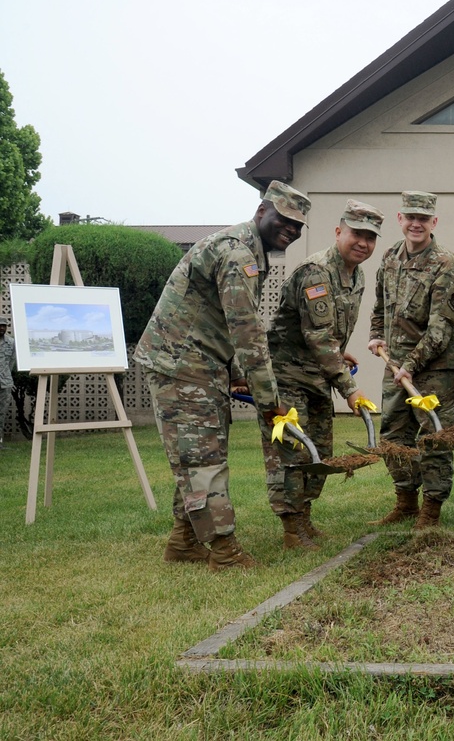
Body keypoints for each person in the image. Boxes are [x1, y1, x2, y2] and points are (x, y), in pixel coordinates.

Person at [135, 180, 307, 570]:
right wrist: (270, 403)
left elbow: (221, 325)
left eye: (298, 226)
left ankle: (183, 542)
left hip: (201, 364)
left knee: (200, 452)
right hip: (182, 365)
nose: (291, 230)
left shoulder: (249, 250)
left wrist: (234, 374)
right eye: (285, 219)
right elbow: (247, 332)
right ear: (262, 211)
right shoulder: (237, 255)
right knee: (202, 459)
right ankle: (225, 552)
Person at [259, 199, 383, 550]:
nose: (363, 243)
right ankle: (291, 530)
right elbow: (317, 335)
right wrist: (349, 388)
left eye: (370, 238)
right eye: (357, 234)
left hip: (317, 374)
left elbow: (322, 331)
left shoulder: (354, 274)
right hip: (288, 378)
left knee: (321, 451)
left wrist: (337, 351)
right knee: (293, 452)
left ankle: (305, 519)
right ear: (339, 231)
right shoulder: (316, 272)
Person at [367, 192, 454, 530]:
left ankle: (431, 511)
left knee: (434, 439)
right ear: (400, 219)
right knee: (393, 434)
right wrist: (376, 334)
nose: (416, 223)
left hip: (435, 369)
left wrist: (410, 362)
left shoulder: (446, 263)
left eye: (423, 218)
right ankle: (406, 502)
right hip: (395, 366)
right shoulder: (390, 256)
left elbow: (441, 327)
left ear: (433, 222)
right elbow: (380, 305)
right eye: (410, 216)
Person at [0, 317, 15, 449]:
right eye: (0, 326)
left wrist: (6, 376)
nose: (2, 328)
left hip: (5, 384)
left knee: (2, 413)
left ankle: (0, 442)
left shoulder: (11, 342)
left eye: (4, 326)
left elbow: (11, 362)